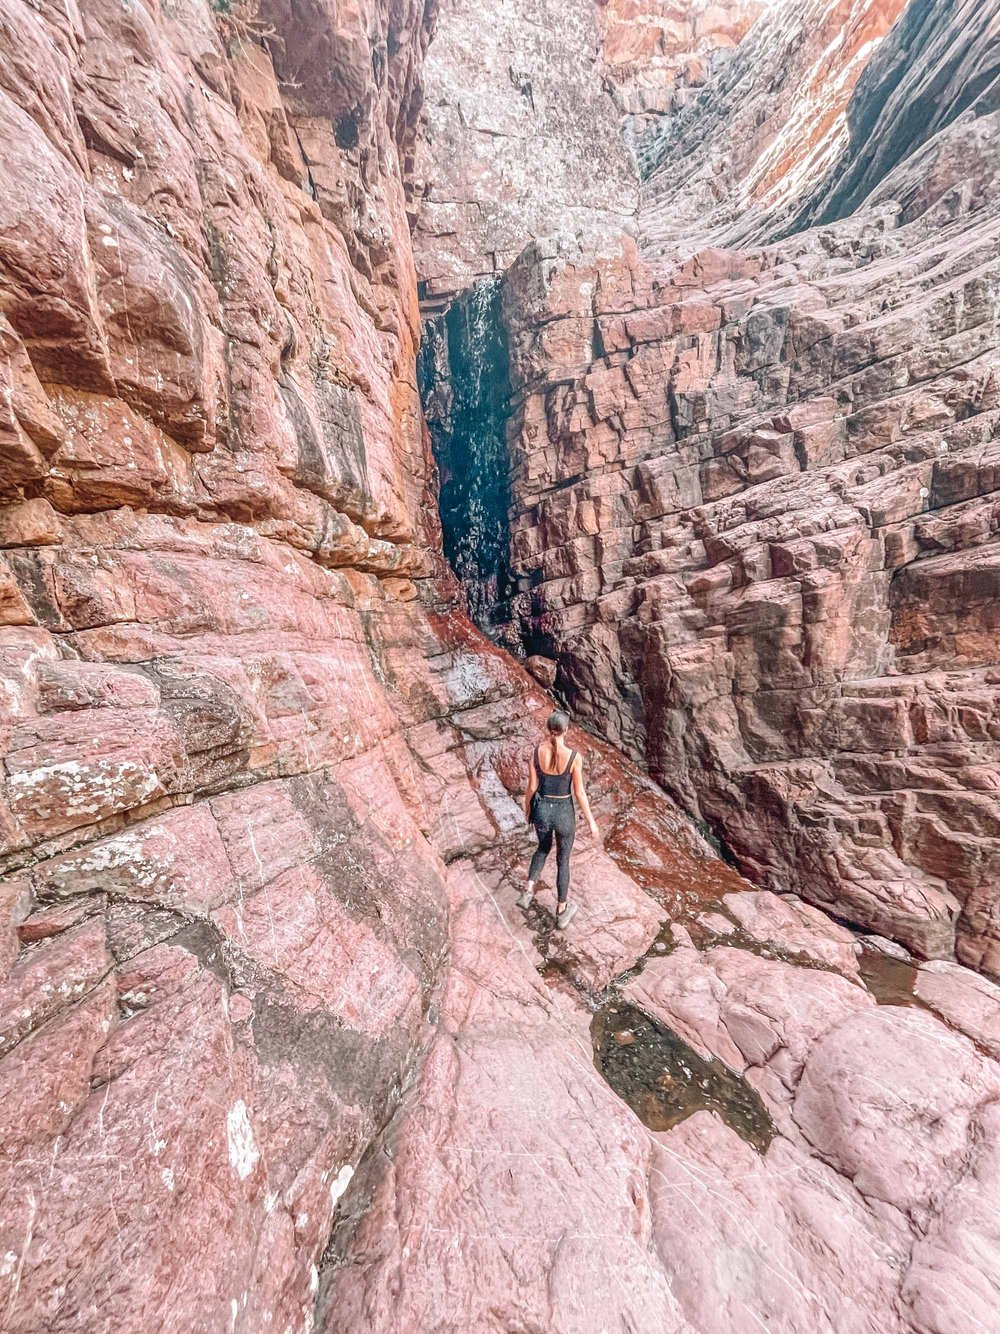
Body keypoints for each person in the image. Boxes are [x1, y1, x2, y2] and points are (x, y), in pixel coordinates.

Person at [517, 710, 599, 928]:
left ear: (548, 729)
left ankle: (528, 889)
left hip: (542, 810)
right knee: (563, 860)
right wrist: (591, 822)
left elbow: (532, 787)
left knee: (542, 849)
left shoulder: (536, 753)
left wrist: (527, 809)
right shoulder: (574, 757)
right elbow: (580, 793)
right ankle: (562, 911)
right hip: (563, 813)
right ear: (567, 730)